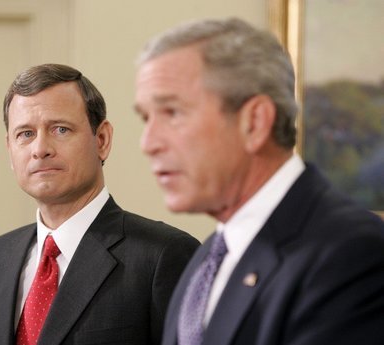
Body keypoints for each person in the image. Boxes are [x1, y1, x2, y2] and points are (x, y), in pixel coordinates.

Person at [134, 17, 384, 345]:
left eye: (172, 113)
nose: (148, 142)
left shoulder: (352, 254)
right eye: (146, 117)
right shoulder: (206, 259)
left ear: (254, 122)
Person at [0, 63, 200, 345]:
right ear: (10, 150)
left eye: (60, 129)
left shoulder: (164, 256)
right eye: (25, 134)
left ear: (102, 140)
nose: (40, 148)